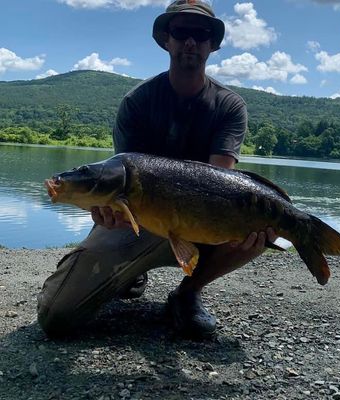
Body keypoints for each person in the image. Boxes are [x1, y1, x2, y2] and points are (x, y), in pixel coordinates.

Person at [37, 0, 276, 339]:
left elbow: (222, 183)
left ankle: (187, 294)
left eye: (200, 33)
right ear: (167, 39)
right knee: (55, 317)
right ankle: (123, 272)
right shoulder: (138, 101)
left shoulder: (229, 106)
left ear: (212, 44)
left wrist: (251, 223)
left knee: (263, 225)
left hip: (200, 221)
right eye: (181, 32)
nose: (190, 42)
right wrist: (108, 213)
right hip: (139, 222)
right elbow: (119, 178)